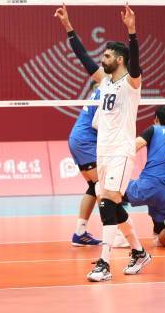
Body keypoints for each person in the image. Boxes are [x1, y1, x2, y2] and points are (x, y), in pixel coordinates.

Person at [54, 3, 149, 282]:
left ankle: (104, 264)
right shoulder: (104, 82)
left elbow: (136, 63)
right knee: (112, 205)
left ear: (119, 59)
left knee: (106, 202)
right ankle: (139, 252)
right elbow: (83, 58)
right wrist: (68, 27)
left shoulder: (131, 84)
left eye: (107, 56)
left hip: (121, 151)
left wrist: (132, 31)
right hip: (103, 151)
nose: (102, 59)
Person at [125, 105, 165, 250]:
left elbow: (133, 147)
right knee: (159, 239)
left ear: (156, 119)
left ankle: (120, 236)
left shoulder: (154, 129)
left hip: (147, 186)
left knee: (110, 193)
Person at [68, 79, 102, 246]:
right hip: (86, 141)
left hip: (78, 139)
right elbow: (97, 123)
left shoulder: (104, 89)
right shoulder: (110, 91)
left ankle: (80, 232)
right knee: (103, 186)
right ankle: (117, 233)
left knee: (94, 186)